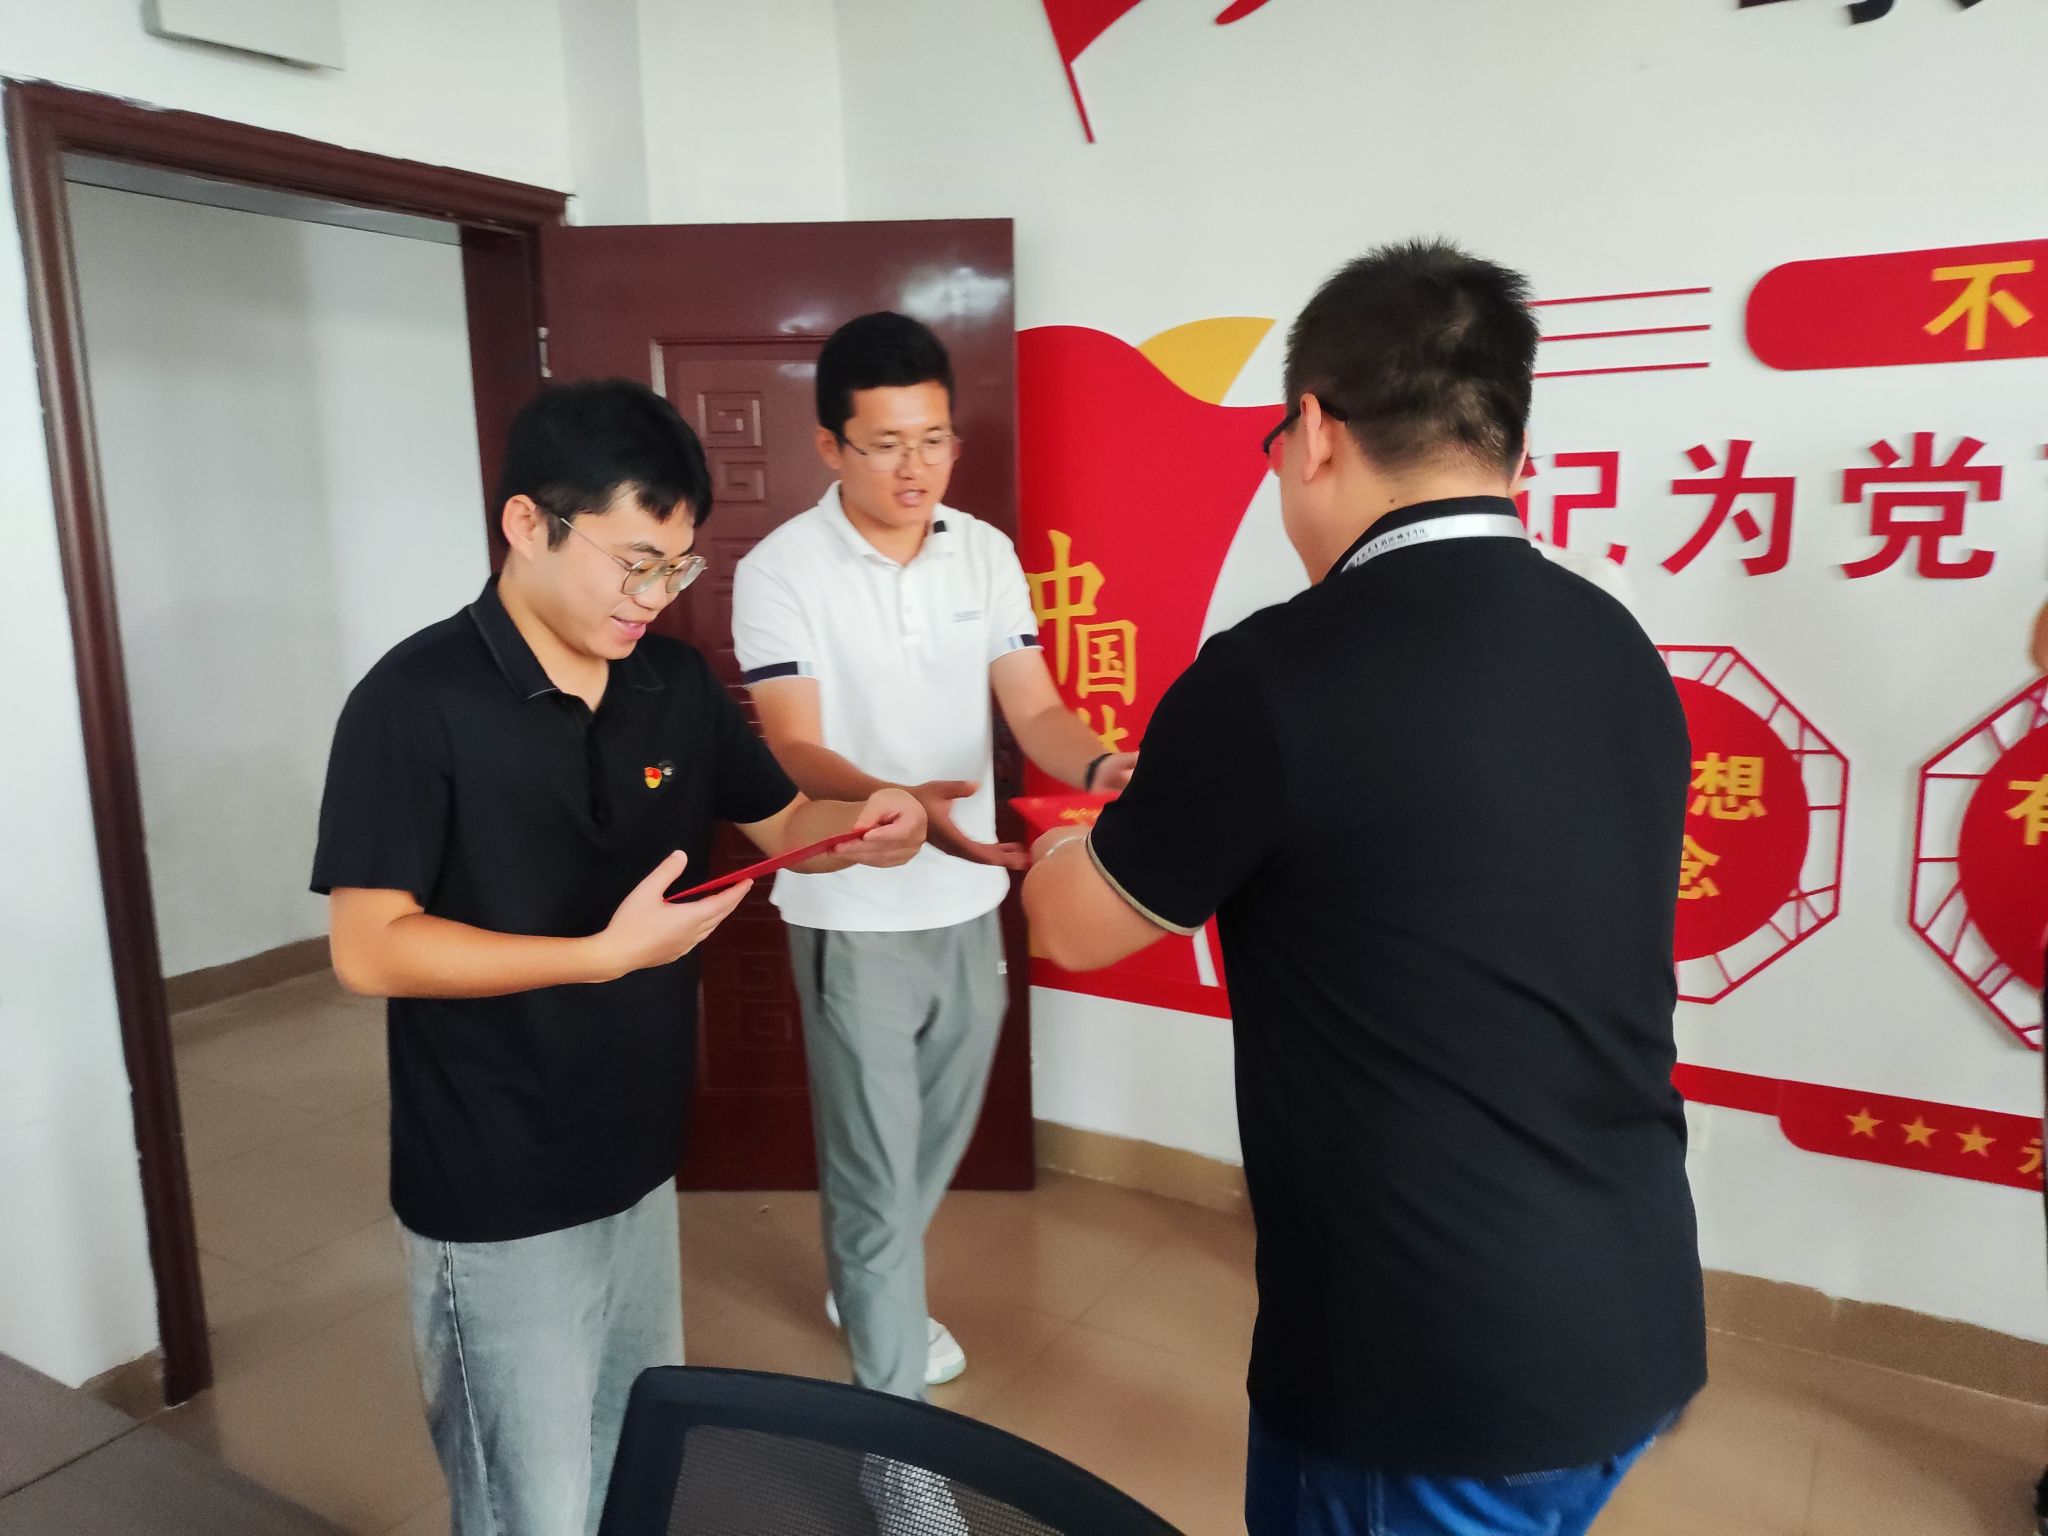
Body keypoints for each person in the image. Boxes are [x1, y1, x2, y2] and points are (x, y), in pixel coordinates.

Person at [1023, 241, 1707, 1536]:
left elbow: (1072, 926)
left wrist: (1070, 841)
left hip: (1425, 1365)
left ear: (1315, 433)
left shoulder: (1273, 675)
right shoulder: (1614, 642)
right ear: (1508, 444)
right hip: (1628, 1301)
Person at [310, 379, 927, 1536]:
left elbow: (783, 822)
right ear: (527, 523)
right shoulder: (414, 701)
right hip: (494, 1173)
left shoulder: (671, 685)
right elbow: (368, 947)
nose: (653, 597)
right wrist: (597, 957)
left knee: (631, 1452)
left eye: (676, 568)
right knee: (529, 1505)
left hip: (637, 1151)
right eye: (634, 563)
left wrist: (863, 828)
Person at [730, 312, 1136, 1401]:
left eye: (934, 440)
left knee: (931, 1137)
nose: (916, 469)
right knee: (873, 1158)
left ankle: (864, 1275)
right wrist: (892, 800)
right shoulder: (781, 570)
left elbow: (1035, 709)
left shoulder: (984, 552)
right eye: (885, 445)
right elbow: (792, 744)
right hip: (854, 906)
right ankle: (890, 1424)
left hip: (966, 891)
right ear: (830, 446)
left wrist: (1103, 766)